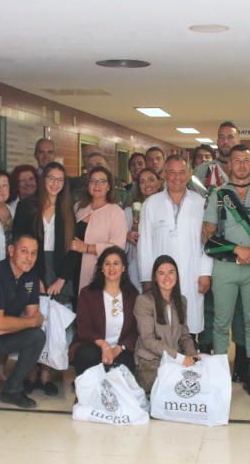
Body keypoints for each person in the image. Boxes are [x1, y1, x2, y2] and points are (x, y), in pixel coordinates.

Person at [202, 144, 250, 397]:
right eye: (237, 161)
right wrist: (236, 249)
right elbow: (207, 237)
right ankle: (221, 375)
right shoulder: (217, 195)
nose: (242, 165)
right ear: (229, 165)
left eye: (247, 161)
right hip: (226, 268)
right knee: (221, 323)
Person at [12, 162, 77, 396]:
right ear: (43, 179)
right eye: (51, 178)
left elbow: (73, 250)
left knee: (54, 323)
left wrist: (62, 279)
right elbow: (19, 242)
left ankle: (47, 373)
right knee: (32, 317)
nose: (55, 184)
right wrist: (33, 275)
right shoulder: (27, 206)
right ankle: (30, 372)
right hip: (32, 266)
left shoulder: (68, 209)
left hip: (59, 270)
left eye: (60, 180)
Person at [138, 155, 212, 336]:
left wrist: (205, 272)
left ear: (189, 175)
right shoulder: (151, 204)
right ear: (164, 174)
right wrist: (147, 277)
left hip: (192, 271)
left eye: (181, 172)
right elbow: (144, 243)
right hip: (161, 275)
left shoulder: (201, 203)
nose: (177, 177)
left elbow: (208, 242)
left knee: (190, 324)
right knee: (163, 324)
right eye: (172, 172)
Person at [0, 234, 47, 410]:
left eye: (34, 253)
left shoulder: (30, 276)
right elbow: (0, 321)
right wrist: (1, 327)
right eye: (24, 251)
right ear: (11, 250)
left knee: (37, 336)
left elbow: (34, 318)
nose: (29, 258)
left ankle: (12, 390)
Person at [133, 255, 198, 392]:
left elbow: (185, 335)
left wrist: (192, 355)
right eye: (161, 273)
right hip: (151, 362)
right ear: (155, 278)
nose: (167, 278)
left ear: (177, 276)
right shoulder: (144, 301)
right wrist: (180, 358)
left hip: (175, 359)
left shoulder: (182, 300)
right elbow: (148, 340)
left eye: (171, 272)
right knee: (168, 392)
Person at [71, 246, 139, 376]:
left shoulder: (132, 295)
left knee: (125, 368)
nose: (111, 268)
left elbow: (135, 331)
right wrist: (104, 346)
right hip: (94, 346)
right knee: (88, 355)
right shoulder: (88, 294)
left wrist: (119, 348)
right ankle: (86, 391)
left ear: (123, 268)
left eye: (116, 263)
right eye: (107, 263)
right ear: (101, 268)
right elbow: (83, 328)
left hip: (121, 349)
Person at [72, 166, 127, 295]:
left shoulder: (116, 212)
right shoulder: (78, 207)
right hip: (74, 269)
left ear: (109, 186)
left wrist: (87, 248)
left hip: (100, 272)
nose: (97, 185)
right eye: (93, 181)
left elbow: (118, 247)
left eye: (102, 181)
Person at [125, 168, 162, 291]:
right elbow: (119, 237)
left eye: (151, 180)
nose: (147, 185)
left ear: (159, 183)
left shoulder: (167, 208)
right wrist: (127, 235)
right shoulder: (130, 211)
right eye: (142, 181)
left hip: (163, 262)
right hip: (137, 264)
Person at [196, 121, 241, 189]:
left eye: (230, 137)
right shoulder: (202, 170)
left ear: (238, 141)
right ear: (217, 141)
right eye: (221, 137)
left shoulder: (248, 171)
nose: (225, 141)